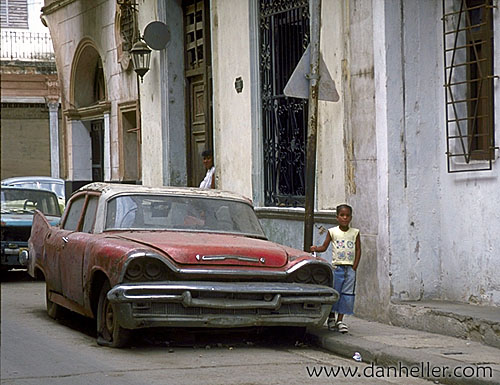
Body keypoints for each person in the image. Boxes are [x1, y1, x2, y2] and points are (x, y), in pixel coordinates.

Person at [310, 204, 361, 333]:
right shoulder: (332, 232)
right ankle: (331, 317)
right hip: (337, 268)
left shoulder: (355, 233)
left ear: (351, 217)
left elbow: (358, 249)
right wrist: (316, 248)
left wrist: (354, 266)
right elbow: (324, 247)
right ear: (337, 217)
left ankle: (340, 320)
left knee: (347, 294)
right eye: (342, 215)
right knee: (335, 292)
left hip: (349, 269)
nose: (345, 218)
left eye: (347, 215)